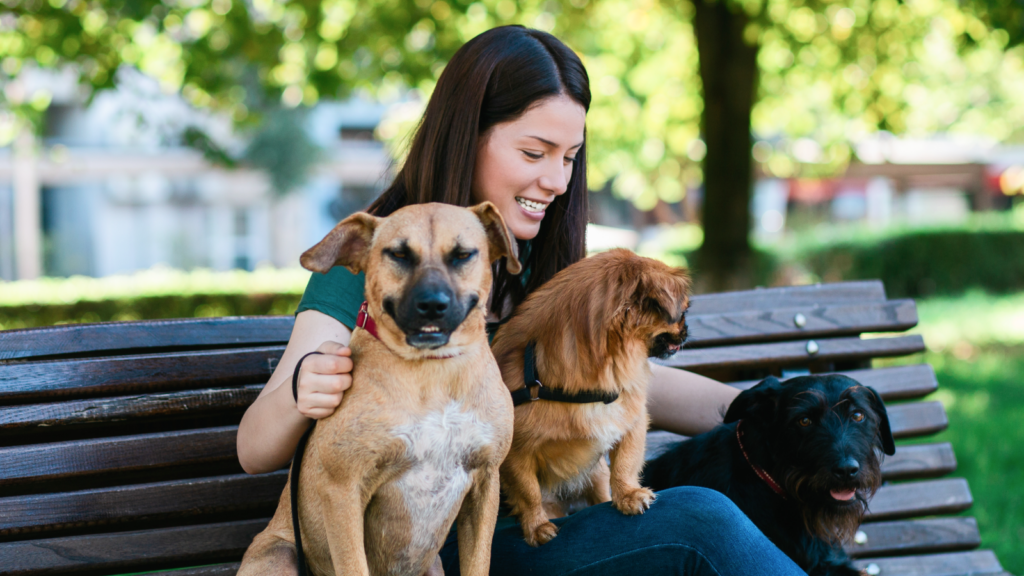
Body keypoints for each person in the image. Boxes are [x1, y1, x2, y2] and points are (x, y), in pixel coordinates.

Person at [237, 25, 804, 576]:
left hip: (536, 525)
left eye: (569, 157)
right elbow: (255, 447)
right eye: (535, 152)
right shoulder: (381, 265)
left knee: (720, 506)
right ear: (468, 134)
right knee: (698, 521)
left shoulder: (534, 260)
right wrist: (302, 387)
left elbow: (617, 374)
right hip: (436, 543)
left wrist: (758, 409)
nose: (557, 181)